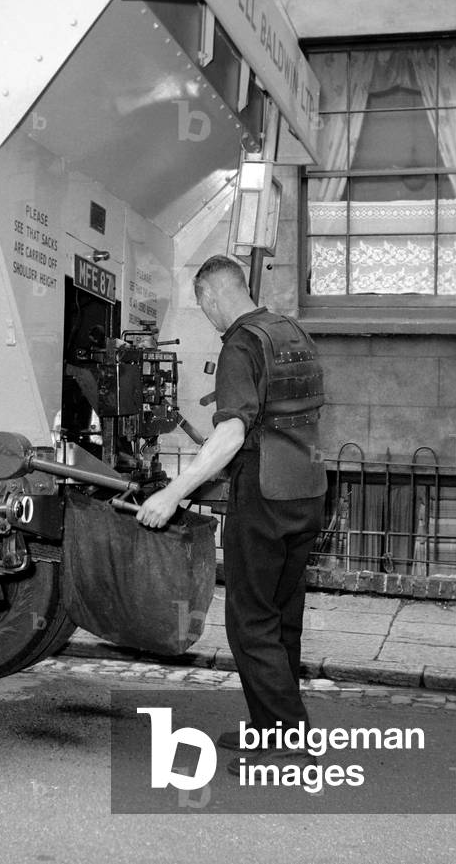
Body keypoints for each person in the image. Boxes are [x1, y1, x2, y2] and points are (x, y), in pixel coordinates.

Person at [136, 254, 327, 775]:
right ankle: (273, 728)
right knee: (283, 616)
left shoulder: (242, 344)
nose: (209, 318)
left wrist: (173, 492)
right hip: (308, 491)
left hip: (265, 497)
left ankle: (284, 743)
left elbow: (232, 433)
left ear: (212, 296)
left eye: (204, 309)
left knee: (250, 620)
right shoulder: (290, 332)